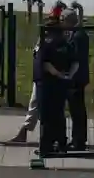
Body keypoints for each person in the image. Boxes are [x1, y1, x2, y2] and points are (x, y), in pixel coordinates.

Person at [12, 1, 67, 143]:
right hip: (41, 76)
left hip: (47, 78)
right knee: (37, 104)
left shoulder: (56, 37)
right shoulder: (46, 35)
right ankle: (30, 132)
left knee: (40, 105)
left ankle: (36, 134)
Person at [34, 14, 79, 156]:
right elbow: (75, 63)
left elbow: (46, 64)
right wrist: (68, 76)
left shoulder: (46, 43)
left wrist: (58, 74)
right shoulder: (66, 43)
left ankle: (46, 146)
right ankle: (61, 144)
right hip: (61, 84)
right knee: (59, 114)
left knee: (46, 115)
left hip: (46, 84)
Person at [61, 8, 89, 151]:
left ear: (68, 20)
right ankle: (78, 139)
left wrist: (68, 76)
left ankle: (78, 141)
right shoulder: (76, 33)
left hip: (76, 78)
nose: (61, 22)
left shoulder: (78, 36)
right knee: (76, 110)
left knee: (77, 110)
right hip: (78, 77)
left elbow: (76, 60)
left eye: (62, 20)